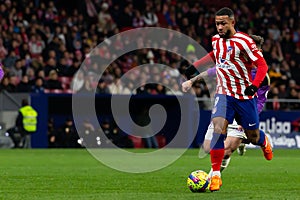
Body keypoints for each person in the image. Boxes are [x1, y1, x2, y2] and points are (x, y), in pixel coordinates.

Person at [184, 7, 273, 191]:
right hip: (224, 94)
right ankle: (215, 176)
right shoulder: (216, 40)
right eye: (217, 23)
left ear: (233, 22)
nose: (219, 27)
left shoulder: (244, 41)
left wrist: (254, 86)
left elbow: (262, 66)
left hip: (245, 97)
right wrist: (196, 66)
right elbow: (214, 56)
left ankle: (264, 141)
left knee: (253, 136)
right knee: (219, 129)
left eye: (223, 23)